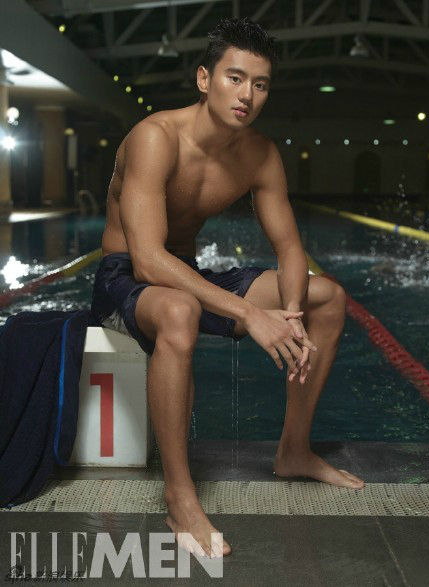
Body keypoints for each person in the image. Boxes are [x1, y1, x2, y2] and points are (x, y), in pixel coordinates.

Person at [91, 16, 364, 559]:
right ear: (204, 78)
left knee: (328, 297)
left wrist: (289, 313)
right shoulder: (155, 138)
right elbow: (147, 259)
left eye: (260, 84)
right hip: (127, 277)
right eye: (234, 78)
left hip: (185, 272)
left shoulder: (259, 153)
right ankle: (179, 497)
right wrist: (250, 314)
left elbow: (290, 250)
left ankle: (294, 450)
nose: (247, 95)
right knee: (179, 311)